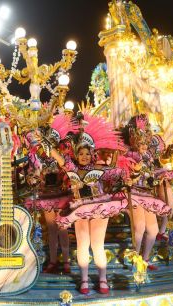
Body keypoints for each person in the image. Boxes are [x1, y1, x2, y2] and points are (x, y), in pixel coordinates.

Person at [48, 114, 127, 294]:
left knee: (97, 245)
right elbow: (59, 158)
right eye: (80, 153)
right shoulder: (72, 168)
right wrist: (47, 143)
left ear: (92, 154)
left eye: (87, 153)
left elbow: (117, 173)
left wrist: (121, 163)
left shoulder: (99, 169)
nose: (84, 156)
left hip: (99, 207)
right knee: (83, 244)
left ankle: (103, 279)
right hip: (80, 208)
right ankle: (84, 280)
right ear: (76, 155)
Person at [24, 114, 78, 274]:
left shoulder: (62, 156)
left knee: (62, 228)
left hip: (62, 195)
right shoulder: (36, 157)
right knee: (52, 229)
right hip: (46, 196)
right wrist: (33, 177)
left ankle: (66, 261)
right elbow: (31, 175)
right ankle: (53, 261)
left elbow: (70, 170)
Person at [121, 115, 172, 270]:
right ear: (134, 142)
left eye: (145, 143)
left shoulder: (148, 157)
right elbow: (124, 176)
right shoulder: (129, 155)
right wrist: (134, 174)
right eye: (141, 143)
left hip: (147, 195)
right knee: (140, 227)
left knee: (153, 230)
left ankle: (145, 258)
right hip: (134, 193)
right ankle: (134, 258)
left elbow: (150, 176)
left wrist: (157, 178)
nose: (144, 145)